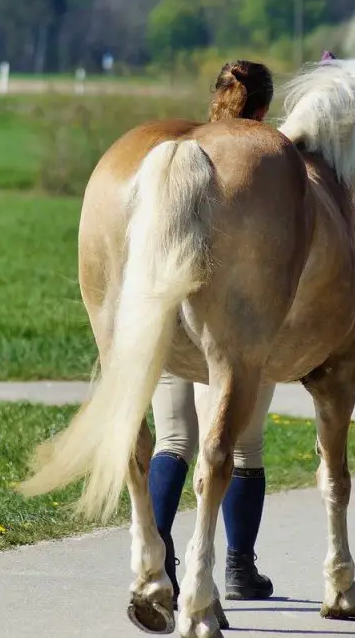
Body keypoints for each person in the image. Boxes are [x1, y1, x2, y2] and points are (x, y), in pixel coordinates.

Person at [148, 60, 277, 608]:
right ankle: (239, 568)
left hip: (165, 306)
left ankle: (161, 563)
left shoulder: (181, 150)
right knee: (243, 445)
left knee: (173, 438)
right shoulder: (266, 158)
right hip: (232, 319)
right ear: (264, 110)